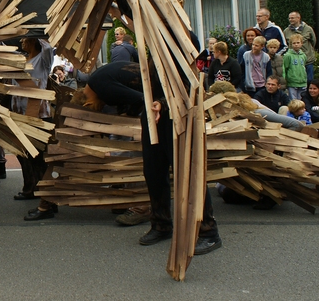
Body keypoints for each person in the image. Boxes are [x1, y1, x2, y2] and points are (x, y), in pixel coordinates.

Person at [83, 61, 222, 255]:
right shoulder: (151, 42)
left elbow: (187, 84)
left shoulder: (179, 40)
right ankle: (161, 225)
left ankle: (208, 232)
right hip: (152, 117)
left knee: (189, 172)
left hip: (178, 116)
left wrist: (162, 103)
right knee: (153, 172)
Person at [13, 36, 54, 202]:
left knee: (38, 155)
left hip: (38, 113)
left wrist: (35, 32)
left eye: (25, 39)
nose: (21, 42)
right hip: (19, 111)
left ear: (33, 41)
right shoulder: (22, 59)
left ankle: (44, 192)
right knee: (23, 153)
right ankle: (29, 187)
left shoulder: (43, 60)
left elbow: (49, 48)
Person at [284, 12, 317, 82]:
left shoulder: (308, 29)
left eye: (292, 18)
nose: (290, 20)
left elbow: (313, 41)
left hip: (307, 60)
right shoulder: (286, 31)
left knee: (310, 81)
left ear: (298, 18)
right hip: (293, 62)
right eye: (289, 18)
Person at [282, 34, 308, 101]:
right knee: (293, 100)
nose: (296, 44)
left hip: (302, 81)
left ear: (301, 43)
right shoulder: (288, 55)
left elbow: (304, 66)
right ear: (291, 44)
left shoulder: (303, 55)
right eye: (294, 43)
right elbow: (285, 68)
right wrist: (284, 80)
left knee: (302, 100)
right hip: (292, 82)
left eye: (298, 43)